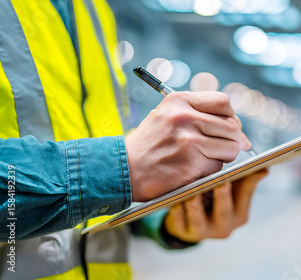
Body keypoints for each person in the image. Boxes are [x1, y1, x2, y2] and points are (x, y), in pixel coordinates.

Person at [0, 0, 267, 279]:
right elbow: (119, 168)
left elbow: (107, 160)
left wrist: (166, 215)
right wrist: (121, 168)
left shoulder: (92, 9)